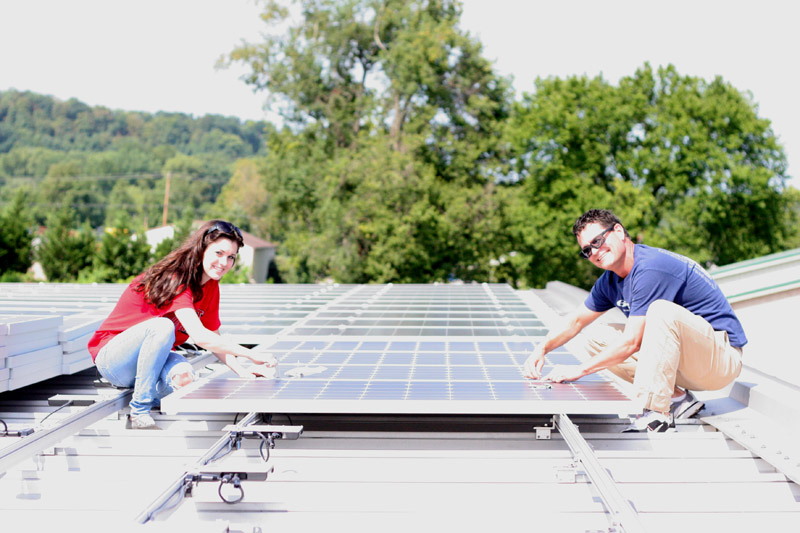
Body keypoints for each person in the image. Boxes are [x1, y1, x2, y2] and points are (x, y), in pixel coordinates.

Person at [522, 209, 746, 432]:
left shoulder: (651, 267)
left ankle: (657, 413)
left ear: (618, 231)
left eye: (598, 241)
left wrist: (578, 371)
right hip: (688, 360)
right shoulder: (609, 281)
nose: (595, 252)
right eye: (587, 250)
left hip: (720, 360)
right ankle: (677, 399)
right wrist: (541, 349)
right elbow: (577, 321)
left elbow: (632, 342)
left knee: (660, 312)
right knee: (595, 336)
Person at [87, 220, 278, 429]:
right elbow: (200, 337)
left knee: (185, 378)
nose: (224, 262)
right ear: (202, 249)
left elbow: (214, 337)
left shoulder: (211, 287)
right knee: (162, 326)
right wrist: (251, 354)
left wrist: (242, 371)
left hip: (150, 361)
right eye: (218, 253)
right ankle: (139, 412)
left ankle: (151, 396)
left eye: (230, 257)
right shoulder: (176, 278)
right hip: (113, 359)